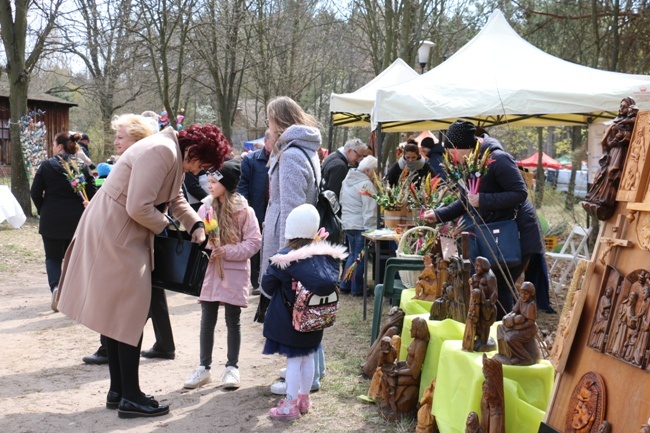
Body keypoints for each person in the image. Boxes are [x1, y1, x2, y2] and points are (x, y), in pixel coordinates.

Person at [57, 123, 230, 419]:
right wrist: (170, 229)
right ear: (194, 151)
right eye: (201, 165)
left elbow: (174, 198)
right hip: (116, 232)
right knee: (129, 312)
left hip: (115, 229)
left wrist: (195, 225)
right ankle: (132, 397)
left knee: (117, 312)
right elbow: (138, 207)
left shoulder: (169, 150)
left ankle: (119, 390)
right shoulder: (162, 150)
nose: (197, 172)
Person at [423, 120, 545, 318]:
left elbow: (520, 193)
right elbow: (466, 201)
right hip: (495, 233)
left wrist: (483, 199)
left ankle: (505, 333)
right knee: (492, 283)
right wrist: (438, 214)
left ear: (466, 147)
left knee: (500, 285)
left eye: (453, 151)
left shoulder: (498, 159)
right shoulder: (469, 163)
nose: (451, 157)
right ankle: (499, 329)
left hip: (517, 234)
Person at [81, 114, 170, 366]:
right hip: (130, 238)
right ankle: (124, 355)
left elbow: (141, 205)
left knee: (127, 304)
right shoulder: (129, 161)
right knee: (128, 300)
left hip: (133, 240)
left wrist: (168, 224)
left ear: (138, 139)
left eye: (121, 137)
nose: (115, 141)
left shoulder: (150, 159)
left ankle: (121, 366)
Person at [259, 96, 326, 395]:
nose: (267, 127)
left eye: (269, 121)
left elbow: (291, 207)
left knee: (296, 307)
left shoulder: (292, 154)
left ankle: (304, 376)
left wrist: (288, 253)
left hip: (290, 237)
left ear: (278, 121)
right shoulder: (304, 149)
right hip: (299, 235)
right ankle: (309, 370)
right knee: (305, 305)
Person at [260, 204, 347, 420]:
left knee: (293, 362)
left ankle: (289, 405)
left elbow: (267, 285)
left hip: (290, 320)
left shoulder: (285, 258)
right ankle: (303, 399)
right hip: (315, 321)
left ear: (290, 229)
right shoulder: (327, 257)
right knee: (308, 358)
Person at [183, 160, 262, 390]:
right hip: (210, 271)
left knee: (232, 320)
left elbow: (254, 242)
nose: (209, 185)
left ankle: (232, 367)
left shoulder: (244, 211)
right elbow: (197, 237)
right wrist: (207, 244)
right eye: (209, 181)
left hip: (234, 272)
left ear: (226, 184)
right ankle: (204, 367)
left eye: (214, 181)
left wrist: (226, 251)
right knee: (207, 319)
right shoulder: (205, 208)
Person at [30, 132, 97, 312]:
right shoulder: (81, 166)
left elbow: (35, 192)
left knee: (52, 257)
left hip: (51, 218)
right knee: (73, 258)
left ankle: (56, 288)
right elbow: (93, 191)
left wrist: (43, 208)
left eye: (53, 144)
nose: (52, 147)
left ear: (60, 146)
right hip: (76, 220)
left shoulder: (46, 166)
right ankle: (72, 295)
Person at [583, 96, 639, 220]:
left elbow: (633, 137)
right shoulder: (616, 121)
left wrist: (622, 136)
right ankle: (596, 196)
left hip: (621, 153)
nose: (621, 109)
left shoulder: (632, 121)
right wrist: (612, 141)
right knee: (601, 174)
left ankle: (606, 199)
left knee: (612, 173)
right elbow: (606, 139)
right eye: (620, 106)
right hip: (612, 152)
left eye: (624, 107)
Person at [238, 129, 275, 296]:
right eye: (274, 141)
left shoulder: (282, 159)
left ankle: (268, 280)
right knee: (255, 247)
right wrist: (245, 210)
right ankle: (255, 282)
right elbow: (242, 186)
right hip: (256, 210)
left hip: (274, 211)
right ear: (266, 141)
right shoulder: (251, 160)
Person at [339, 155, 378, 296]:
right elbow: (370, 209)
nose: (376, 174)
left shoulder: (347, 180)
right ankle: (356, 288)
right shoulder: (366, 184)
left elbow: (341, 200)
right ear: (367, 170)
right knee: (360, 257)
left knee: (353, 255)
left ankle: (345, 284)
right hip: (361, 225)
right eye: (375, 170)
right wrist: (371, 229)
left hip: (348, 223)